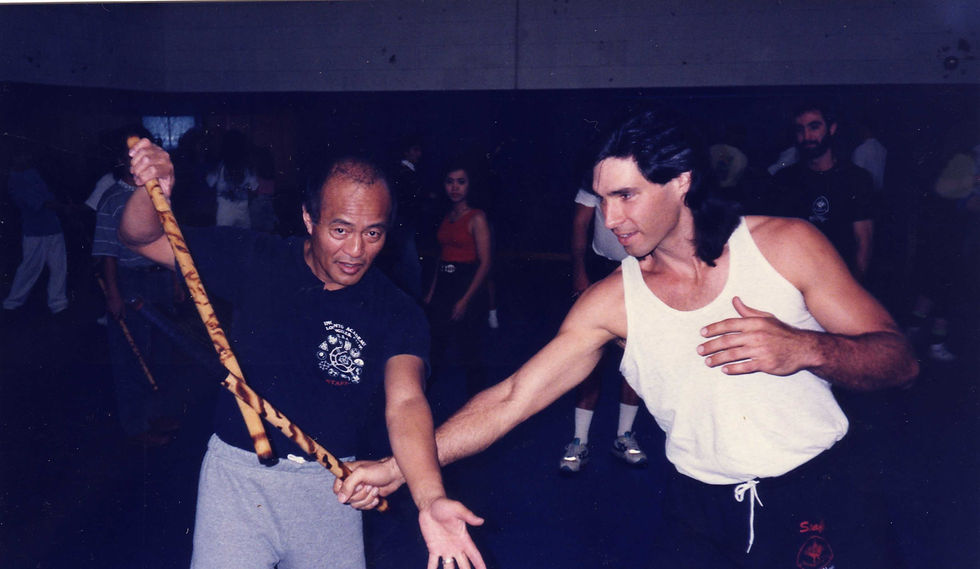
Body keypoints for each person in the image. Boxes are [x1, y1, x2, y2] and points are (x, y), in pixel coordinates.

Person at [338, 110, 918, 568]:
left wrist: (806, 349)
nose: (609, 219)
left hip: (815, 492)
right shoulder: (613, 300)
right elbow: (512, 396)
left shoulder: (784, 247)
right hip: (698, 509)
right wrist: (401, 466)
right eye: (601, 198)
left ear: (682, 181)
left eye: (627, 195)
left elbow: (899, 360)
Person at [120, 139, 485, 569]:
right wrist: (151, 191)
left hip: (332, 490)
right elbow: (141, 238)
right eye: (341, 229)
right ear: (310, 218)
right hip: (236, 484)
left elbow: (405, 403)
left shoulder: (397, 312)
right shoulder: (256, 259)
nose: (355, 251)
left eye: (373, 233)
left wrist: (431, 498)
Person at [92, 127, 182, 446]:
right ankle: (137, 425)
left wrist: (175, 281)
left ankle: (157, 414)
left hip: (159, 278)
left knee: (161, 353)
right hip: (131, 284)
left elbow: (171, 238)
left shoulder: (158, 192)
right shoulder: (113, 199)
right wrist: (114, 294)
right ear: (124, 161)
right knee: (133, 356)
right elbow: (106, 254)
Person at [561, 184, 647, 473]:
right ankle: (579, 441)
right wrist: (580, 272)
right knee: (590, 358)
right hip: (599, 271)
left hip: (641, 272)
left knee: (634, 358)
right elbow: (578, 227)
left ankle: (624, 436)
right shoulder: (592, 184)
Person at [770, 102, 875, 281]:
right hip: (797, 277)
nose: (807, 136)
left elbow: (863, 242)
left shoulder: (856, 179)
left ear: (831, 128)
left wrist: (854, 289)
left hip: (840, 278)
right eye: (800, 130)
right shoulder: (785, 179)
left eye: (814, 127)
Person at [424, 163, 493, 397]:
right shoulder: (446, 216)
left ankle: (477, 403)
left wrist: (465, 300)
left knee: (470, 350)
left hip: (467, 285)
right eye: (450, 181)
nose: (454, 187)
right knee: (435, 345)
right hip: (445, 284)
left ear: (470, 185)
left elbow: (485, 263)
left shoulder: (476, 218)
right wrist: (432, 293)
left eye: (461, 182)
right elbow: (441, 257)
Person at [2, 146, 69, 316]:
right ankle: (12, 302)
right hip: (34, 231)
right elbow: (40, 203)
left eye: (27, 154)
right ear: (15, 158)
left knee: (59, 267)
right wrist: (68, 208)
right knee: (30, 268)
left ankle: (58, 303)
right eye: (22, 155)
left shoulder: (32, 172)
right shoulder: (14, 180)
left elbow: (47, 196)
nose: (26, 158)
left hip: (53, 227)